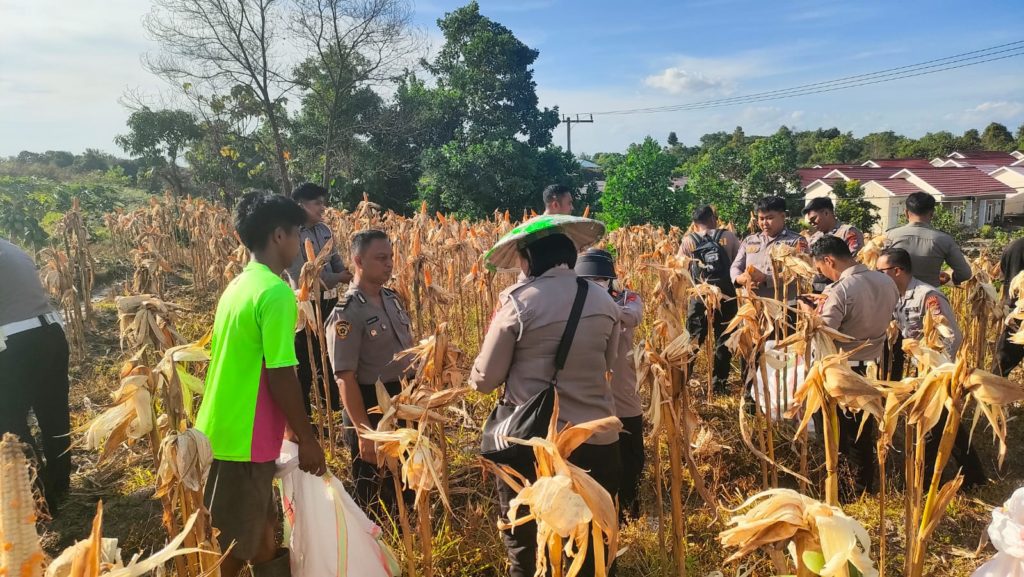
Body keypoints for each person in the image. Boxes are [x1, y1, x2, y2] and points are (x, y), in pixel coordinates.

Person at [472, 232, 621, 577]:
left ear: (529, 260)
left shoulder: (518, 302)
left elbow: (484, 380)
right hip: (596, 438)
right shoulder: (604, 301)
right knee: (594, 542)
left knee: (526, 539)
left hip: (534, 447)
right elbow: (608, 363)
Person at [196, 191, 327, 577]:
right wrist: (307, 437)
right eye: (297, 232)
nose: (299, 244)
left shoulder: (238, 287)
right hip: (243, 434)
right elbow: (281, 372)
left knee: (261, 530)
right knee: (240, 541)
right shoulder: (275, 293)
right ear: (278, 236)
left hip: (223, 427)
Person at [876, 248, 989, 490]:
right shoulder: (896, 295)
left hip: (940, 372)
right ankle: (974, 476)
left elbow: (952, 337)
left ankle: (923, 483)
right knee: (948, 426)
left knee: (932, 425)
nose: (878, 275)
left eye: (881, 271)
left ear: (897, 270)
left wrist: (937, 370)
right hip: (923, 371)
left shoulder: (928, 296)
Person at [325, 230, 414, 519]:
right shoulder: (346, 314)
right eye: (380, 258)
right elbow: (345, 377)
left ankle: (407, 535)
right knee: (373, 488)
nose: (389, 264)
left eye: (390, 257)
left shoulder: (393, 298)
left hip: (404, 400)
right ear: (358, 260)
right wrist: (365, 433)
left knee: (406, 479)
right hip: (371, 405)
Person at [803, 236, 899, 499]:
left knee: (837, 434)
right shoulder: (886, 281)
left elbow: (826, 330)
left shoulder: (841, 289)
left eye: (821, 267)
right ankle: (865, 486)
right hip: (872, 366)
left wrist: (810, 313)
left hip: (842, 371)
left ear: (829, 260)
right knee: (862, 430)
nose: (821, 273)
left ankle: (844, 489)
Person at [0, 237, 71, 510]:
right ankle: (60, 484)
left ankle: (37, 495)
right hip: (51, 332)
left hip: (16, 343)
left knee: (9, 422)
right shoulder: (13, 249)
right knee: (54, 414)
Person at [575, 248, 644, 521]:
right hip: (588, 391)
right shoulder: (572, 301)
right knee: (596, 456)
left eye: (600, 280)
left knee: (631, 455)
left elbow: (633, 316)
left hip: (622, 389)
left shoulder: (628, 297)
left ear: (610, 279)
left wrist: (599, 305)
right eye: (589, 280)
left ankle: (630, 507)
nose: (596, 284)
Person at [285, 182, 352, 416]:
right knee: (304, 361)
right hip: (305, 305)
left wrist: (347, 275)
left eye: (323, 203)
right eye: (317, 203)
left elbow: (336, 262)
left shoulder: (325, 230)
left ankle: (333, 407)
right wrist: (338, 277)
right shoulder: (292, 234)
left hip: (329, 303)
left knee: (330, 355)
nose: (323, 208)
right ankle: (306, 416)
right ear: (301, 204)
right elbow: (301, 277)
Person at [679, 205, 740, 394]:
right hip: (726, 296)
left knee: (693, 339)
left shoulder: (688, 241)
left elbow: (679, 270)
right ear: (713, 218)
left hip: (699, 296)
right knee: (724, 339)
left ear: (695, 223)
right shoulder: (728, 237)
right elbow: (739, 263)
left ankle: (683, 382)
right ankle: (719, 384)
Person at [730, 196, 809, 303]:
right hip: (753, 304)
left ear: (783, 216)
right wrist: (739, 279)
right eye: (761, 219)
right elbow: (736, 265)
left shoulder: (796, 242)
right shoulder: (750, 240)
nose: (764, 223)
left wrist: (766, 278)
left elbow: (799, 274)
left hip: (784, 306)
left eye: (769, 218)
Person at [886, 191, 971, 287]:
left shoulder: (889, 236)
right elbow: (965, 274)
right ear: (931, 214)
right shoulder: (944, 240)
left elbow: (876, 268)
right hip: (929, 298)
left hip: (895, 296)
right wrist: (954, 279)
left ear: (906, 212)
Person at [802, 197, 864, 293]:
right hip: (818, 289)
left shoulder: (847, 232)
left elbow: (854, 261)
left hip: (843, 288)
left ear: (826, 213)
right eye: (810, 222)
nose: (812, 224)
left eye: (814, 219)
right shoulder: (814, 238)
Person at [993, 237, 1024, 377]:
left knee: (1003, 361)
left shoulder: (1014, 246)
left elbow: (1004, 273)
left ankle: (994, 392)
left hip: (1014, 311)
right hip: (1018, 311)